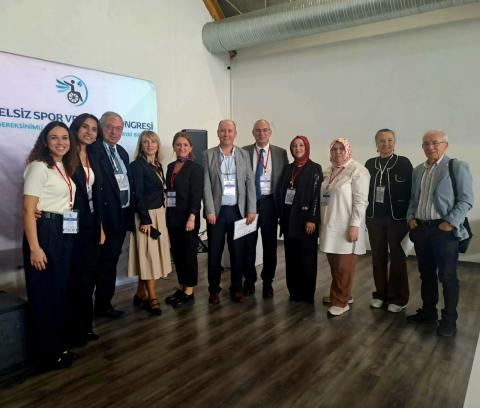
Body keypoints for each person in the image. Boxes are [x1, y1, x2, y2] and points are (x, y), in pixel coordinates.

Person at [23, 121, 79, 369]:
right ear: (45, 142)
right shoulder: (38, 166)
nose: (60, 142)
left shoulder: (62, 166)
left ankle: (57, 347)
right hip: (44, 232)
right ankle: (46, 355)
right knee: (45, 294)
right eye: (54, 138)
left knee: (58, 292)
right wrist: (35, 248)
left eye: (64, 137)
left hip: (62, 229)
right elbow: (28, 209)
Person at [406, 129, 473, 337]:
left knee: (447, 276)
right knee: (426, 274)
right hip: (421, 229)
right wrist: (410, 217)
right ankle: (428, 313)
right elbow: (413, 198)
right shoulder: (418, 170)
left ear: (445, 145)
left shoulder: (457, 167)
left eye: (435, 142)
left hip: (444, 231)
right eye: (426, 143)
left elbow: (466, 200)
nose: (430, 147)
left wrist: (450, 223)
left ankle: (449, 320)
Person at [203, 119, 256, 304]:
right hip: (216, 213)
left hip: (237, 212)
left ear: (235, 133)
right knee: (214, 253)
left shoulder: (243, 154)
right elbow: (206, 185)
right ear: (218, 133)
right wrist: (210, 210)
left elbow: (250, 182)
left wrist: (251, 209)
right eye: (223, 130)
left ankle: (236, 288)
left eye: (229, 131)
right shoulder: (208, 154)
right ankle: (214, 290)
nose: (226, 134)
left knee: (238, 253)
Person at [320, 138, 370, 317]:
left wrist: (355, 225)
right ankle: (340, 294)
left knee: (344, 266)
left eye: (341, 149)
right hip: (329, 225)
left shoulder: (358, 170)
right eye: (334, 149)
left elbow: (361, 201)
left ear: (348, 150)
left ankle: (341, 302)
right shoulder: (329, 170)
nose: (338, 152)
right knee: (335, 264)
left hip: (346, 226)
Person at [66, 114, 105, 346]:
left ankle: (86, 326)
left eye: (93, 129)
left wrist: (100, 226)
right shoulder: (65, 155)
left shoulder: (94, 155)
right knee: (74, 279)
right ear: (76, 128)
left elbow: (97, 194)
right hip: (70, 225)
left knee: (89, 278)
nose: (89, 132)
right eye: (85, 127)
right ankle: (73, 331)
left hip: (91, 223)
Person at [365, 129, 413, 313]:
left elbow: (412, 192)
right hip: (374, 218)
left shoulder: (403, 163)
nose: (386, 144)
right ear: (376, 144)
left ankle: (399, 298)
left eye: (390, 140)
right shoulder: (370, 164)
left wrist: (411, 217)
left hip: (397, 219)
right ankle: (380, 295)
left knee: (398, 258)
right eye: (382, 141)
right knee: (378, 257)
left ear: (395, 142)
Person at [243, 119, 288, 298]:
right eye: (258, 130)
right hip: (250, 204)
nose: (261, 133)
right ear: (253, 132)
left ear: (270, 133)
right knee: (248, 245)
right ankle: (249, 280)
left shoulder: (280, 153)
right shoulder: (244, 151)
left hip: (270, 203)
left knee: (270, 246)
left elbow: (284, 182)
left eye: (265, 130)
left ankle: (268, 281)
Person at [128, 131, 171, 315]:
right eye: (145, 142)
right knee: (150, 257)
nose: (150, 145)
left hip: (159, 213)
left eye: (153, 142)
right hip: (146, 216)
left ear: (158, 145)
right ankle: (152, 298)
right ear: (141, 145)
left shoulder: (158, 165)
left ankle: (140, 294)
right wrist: (145, 220)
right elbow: (137, 194)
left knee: (148, 256)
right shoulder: (137, 166)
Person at [94, 111, 132, 318]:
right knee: (94, 265)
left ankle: (104, 305)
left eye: (118, 128)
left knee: (110, 264)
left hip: (120, 217)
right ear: (101, 127)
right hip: (101, 219)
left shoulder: (122, 153)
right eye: (109, 127)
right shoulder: (93, 151)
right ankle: (85, 310)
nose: (114, 132)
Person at [276, 135, 321, 303]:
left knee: (307, 259)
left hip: (306, 222)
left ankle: (307, 293)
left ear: (306, 147)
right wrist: (281, 217)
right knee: (292, 258)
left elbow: (316, 196)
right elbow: (281, 192)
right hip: (289, 221)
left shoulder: (314, 168)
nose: (298, 148)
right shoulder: (288, 168)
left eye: (301, 145)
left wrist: (312, 219)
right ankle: (294, 292)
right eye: (294, 146)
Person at [164, 132, 203, 308]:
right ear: (174, 146)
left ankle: (189, 292)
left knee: (188, 255)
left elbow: (196, 196)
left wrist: (192, 217)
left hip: (188, 219)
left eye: (185, 145)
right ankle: (182, 287)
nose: (182, 148)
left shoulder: (196, 168)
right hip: (173, 217)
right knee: (178, 255)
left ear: (191, 148)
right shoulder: (170, 166)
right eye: (178, 144)